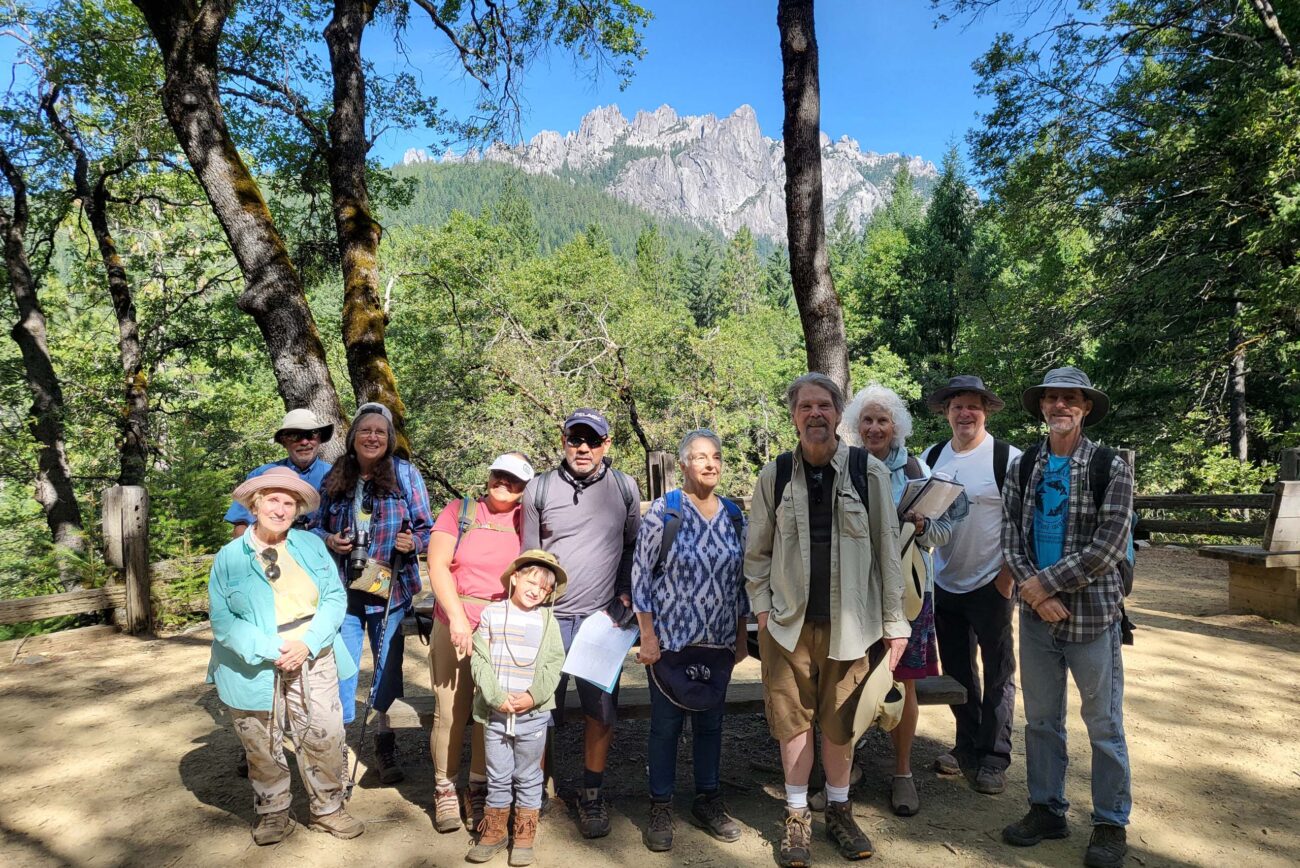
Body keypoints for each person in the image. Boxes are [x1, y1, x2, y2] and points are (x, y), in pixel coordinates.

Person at [746, 373, 910, 867]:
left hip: (852, 628)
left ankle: (839, 810)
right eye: (805, 407)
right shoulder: (773, 475)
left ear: (839, 416)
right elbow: (756, 553)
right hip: (787, 628)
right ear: (794, 416)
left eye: (824, 406)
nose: (815, 414)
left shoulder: (868, 472)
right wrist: (761, 610)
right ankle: (797, 816)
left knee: (842, 726)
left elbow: (888, 551)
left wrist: (894, 623)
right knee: (793, 724)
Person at [1000, 367, 1133, 868]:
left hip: (1092, 616)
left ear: (1085, 406)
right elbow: (1010, 533)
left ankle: (1110, 823)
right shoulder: (1026, 464)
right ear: (1041, 406)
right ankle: (1047, 808)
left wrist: (1044, 585)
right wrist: (1035, 596)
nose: (1059, 405)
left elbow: (1110, 545)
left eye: (1069, 398)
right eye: (1051, 397)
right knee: (1039, 720)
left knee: (1103, 723)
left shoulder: (1108, 466)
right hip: (1037, 619)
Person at [207, 467, 364, 844]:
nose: (280, 509)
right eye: (273, 500)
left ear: (297, 510)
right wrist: (270, 649)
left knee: (324, 732)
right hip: (252, 661)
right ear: (255, 505)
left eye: (288, 502)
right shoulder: (229, 557)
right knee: (261, 739)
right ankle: (273, 812)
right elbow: (223, 621)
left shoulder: (310, 546)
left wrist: (307, 643)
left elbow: (334, 597)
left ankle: (329, 809)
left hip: (313, 650)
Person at [521, 408, 641, 839]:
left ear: (607, 444)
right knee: (537, 709)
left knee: (600, 712)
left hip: (601, 621)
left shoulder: (624, 488)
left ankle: (592, 793)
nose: (583, 448)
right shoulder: (539, 489)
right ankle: (532, 793)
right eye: (576, 439)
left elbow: (633, 545)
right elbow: (530, 556)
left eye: (593, 440)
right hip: (549, 619)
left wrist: (625, 590)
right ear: (564, 440)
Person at [841, 383, 959, 817]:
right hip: (855, 592)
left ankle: (903, 773)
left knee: (904, 680)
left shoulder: (916, 472)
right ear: (856, 425)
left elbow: (944, 533)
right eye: (867, 420)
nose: (874, 428)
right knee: (848, 678)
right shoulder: (842, 467)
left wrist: (924, 524)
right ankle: (844, 772)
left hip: (909, 592)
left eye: (882, 420)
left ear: (896, 426)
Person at [632, 429, 748, 852]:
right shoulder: (665, 512)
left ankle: (708, 799)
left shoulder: (735, 515)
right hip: (670, 642)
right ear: (683, 464)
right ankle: (660, 803)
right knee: (665, 726)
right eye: (699, 457)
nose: (710, 463)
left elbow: (742, 583)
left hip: (717, 642)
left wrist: (740, 637)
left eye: (715, 456)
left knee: (710, 724)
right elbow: (640, 576)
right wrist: (647, 636)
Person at [313, 402, 433, 785]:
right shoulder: (336, 475)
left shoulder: (405, 474)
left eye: (380, 432)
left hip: (390, 588)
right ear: (353, 438)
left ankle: (384, 739)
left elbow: (428, 529)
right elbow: (310, 527)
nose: (373, 437)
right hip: (343, 591)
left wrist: (410, 541)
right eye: (366, 430)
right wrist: (330, 539)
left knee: (386, 670)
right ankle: (342, 747)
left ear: (389, 439)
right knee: (341, 669)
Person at [919, 375, 1022, 794]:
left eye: (973, 406)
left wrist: (1006, 577)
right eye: (957, 406)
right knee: (959, 672)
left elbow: (1022, 522)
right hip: (945, 581)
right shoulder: (931, 457)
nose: (965, 413)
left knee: (999, 671)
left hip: (992, 582)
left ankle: (994, 756)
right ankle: (967, 745)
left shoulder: (1007, 458)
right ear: (946, 412)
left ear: (986, 411)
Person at [427, 452, 534, 833]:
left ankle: (479, 788)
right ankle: (444, 788)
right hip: (455, 618)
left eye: (515, 480)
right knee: (451, 710)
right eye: (499, 475)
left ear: (525, 488)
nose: (504, 484)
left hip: (503, 626)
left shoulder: (528, 519)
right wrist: (456, 616)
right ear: (488, 476)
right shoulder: (460, 511)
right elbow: (437, 564)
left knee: (488, 710)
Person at [466, 550, 567, 867]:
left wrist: (534, 695)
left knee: (528, 775)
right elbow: (479, 659)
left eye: (545, 587)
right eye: (532, 580)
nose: (537, 589)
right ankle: (495, 831)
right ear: (514, 578)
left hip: (532, 716)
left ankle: (524, 833)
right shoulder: (492, 615)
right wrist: (495, 696)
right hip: (496, 715)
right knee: (497, 775)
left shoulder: (547, 620)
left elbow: (554, 663)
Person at [224, 408, 334, 538]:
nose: (304, 442)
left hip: (320, 551)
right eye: (295, 436)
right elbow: (240, 523)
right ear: (283, 441)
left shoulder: (335, 475)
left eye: (311, 435)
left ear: (320, 438)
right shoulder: (261, 475)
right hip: (268, 551)